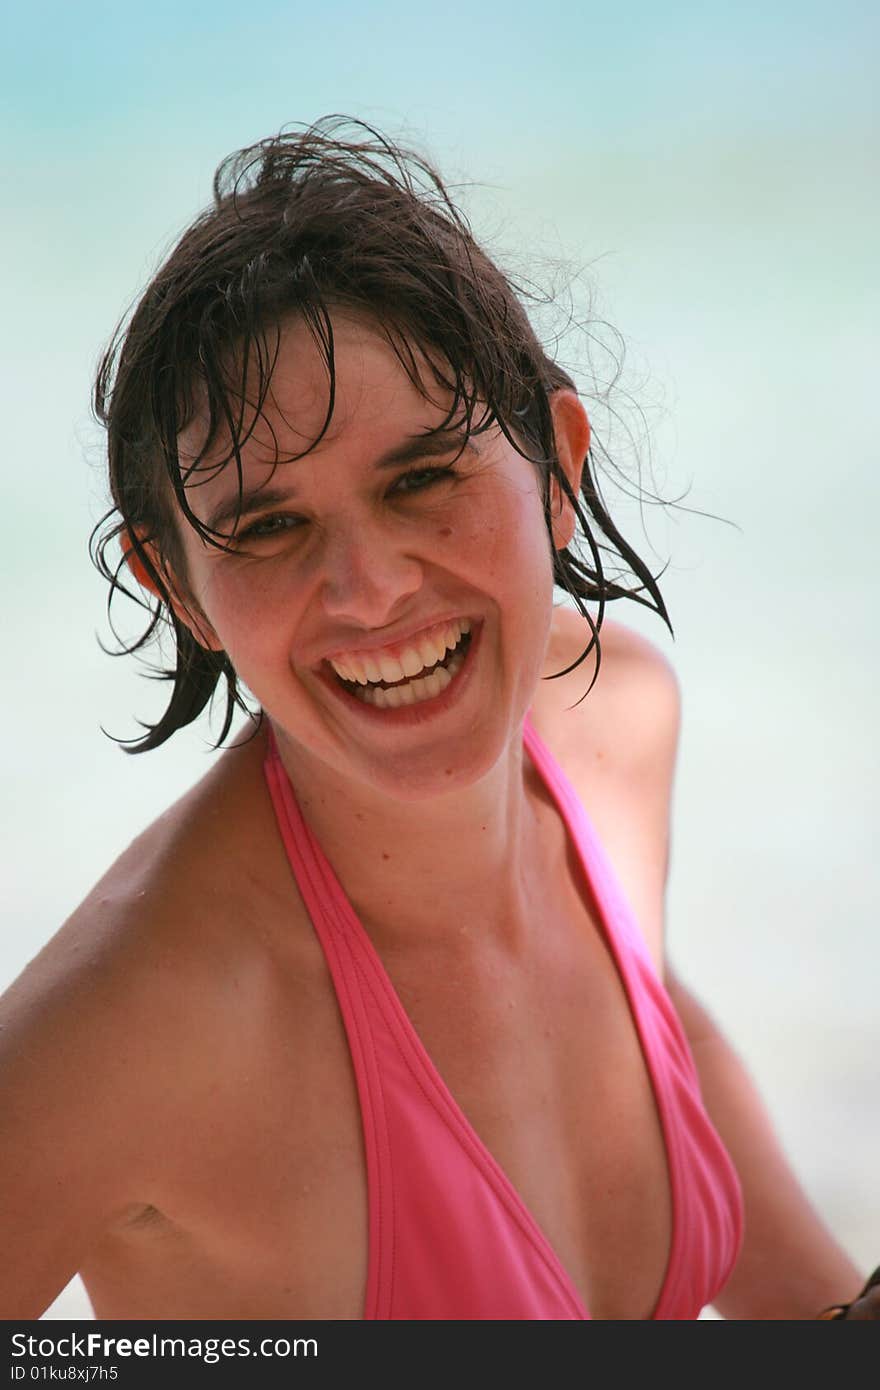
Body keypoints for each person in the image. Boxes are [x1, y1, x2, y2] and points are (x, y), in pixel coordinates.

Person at [1, 117, 875, 1322]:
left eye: (421, 478)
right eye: (267, 528)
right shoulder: (131, 1026)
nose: (369, 590)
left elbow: (664, 1055)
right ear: (174, 585)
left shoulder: (617, 726)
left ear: (556, 466)